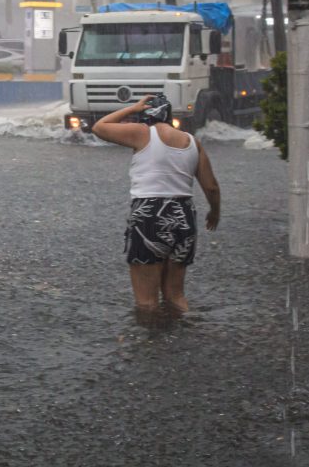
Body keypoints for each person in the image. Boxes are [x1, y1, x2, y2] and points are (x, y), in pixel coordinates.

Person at [92, 94, 220, 315]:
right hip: (184, 216)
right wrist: (214, 212)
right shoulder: (191, 142)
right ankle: (183, 341)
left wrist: (132, 108)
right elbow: (211, 187)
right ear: (169, 116)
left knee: (147, 302)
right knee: (176, 296)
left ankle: (150, 347)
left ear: (144, 117)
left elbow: (99, 127)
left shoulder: (142, 133)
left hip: (149, 216)